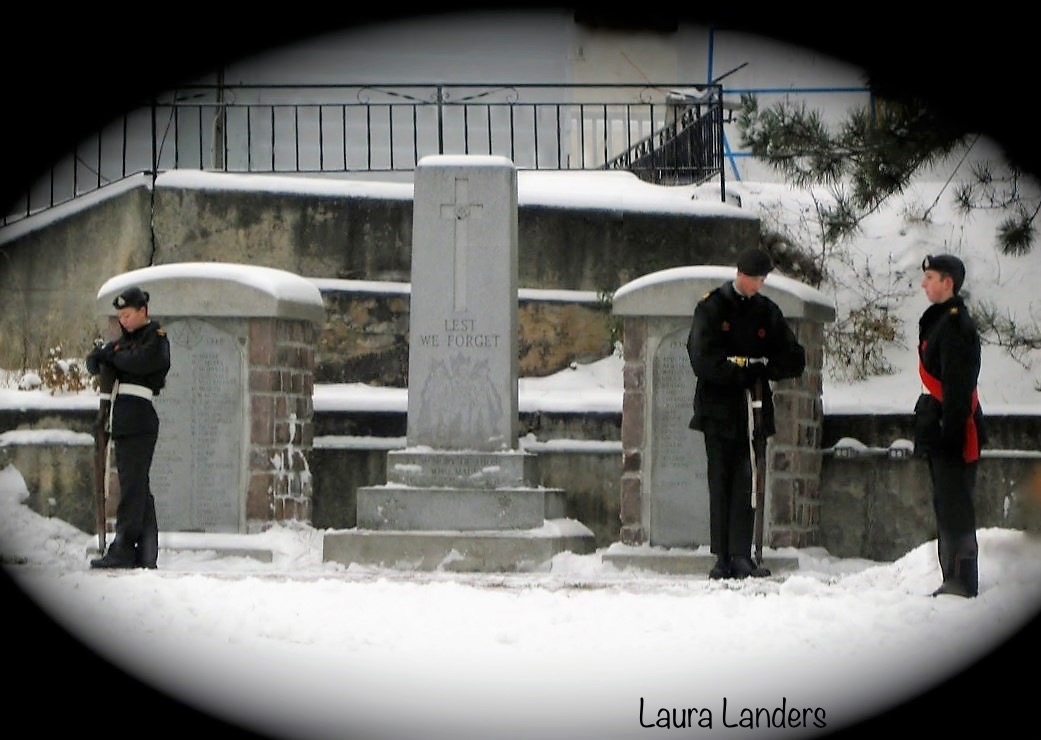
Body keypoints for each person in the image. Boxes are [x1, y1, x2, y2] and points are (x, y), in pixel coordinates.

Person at [686, 248, 806, 580]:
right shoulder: (712, 307)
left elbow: (793, 357)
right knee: (720, 478)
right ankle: (722, 555)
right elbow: (702, 357)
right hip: (719, 406)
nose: (758, 285)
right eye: (755, 278)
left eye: (762, 280)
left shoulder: (766, 311)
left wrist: (764, 369)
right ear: (741, 274)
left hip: (754, 405)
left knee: (748, 479)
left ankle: (742, 552)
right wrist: (741, 373)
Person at [914, 254, 986, 597]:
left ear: (948, 283)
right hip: (941, 420)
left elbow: (957, 386)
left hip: (951, 423)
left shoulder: (955, 325)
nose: (924, 283)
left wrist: (952, 434)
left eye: (930, 277)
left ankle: (961, 579)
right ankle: (952, 575)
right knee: (946, 502)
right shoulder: (942, 320)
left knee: (956, 504)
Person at [86, 286, 171, 569]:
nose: (123, 321)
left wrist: (113, 357)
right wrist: (105, 356)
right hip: (123, 418)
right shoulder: (123, 343)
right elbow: (94, 362)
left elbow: (144, 362)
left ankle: (123, 547)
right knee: (136, 486)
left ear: (142, 311)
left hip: (138, 418)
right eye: (120, 316)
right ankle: (147, 552)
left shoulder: (156, 337)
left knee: (133, 488)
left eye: (127, 315)